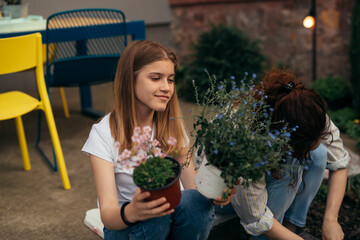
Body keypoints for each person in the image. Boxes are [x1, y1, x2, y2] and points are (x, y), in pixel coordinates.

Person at [82, 40, 232, 240]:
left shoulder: (170, 126)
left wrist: (213, 194)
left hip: (170, 217)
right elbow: (108, 215)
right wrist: (133, 211)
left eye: (170, 80)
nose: (166, 87)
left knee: (195, 201)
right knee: (155, 208)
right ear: (130, 79)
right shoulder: (103, 133)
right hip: (128, 227)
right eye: (155, 78)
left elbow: (192, 187)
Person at [218, 69, 349, 240]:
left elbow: (339, 162)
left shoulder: (306, 111)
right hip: (223, 195)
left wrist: (331, 220)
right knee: (290, 168)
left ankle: (291, 228)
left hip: (265, 169)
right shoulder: (246, 141)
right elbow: (254, 216)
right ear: (285, 139)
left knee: (319, 154)